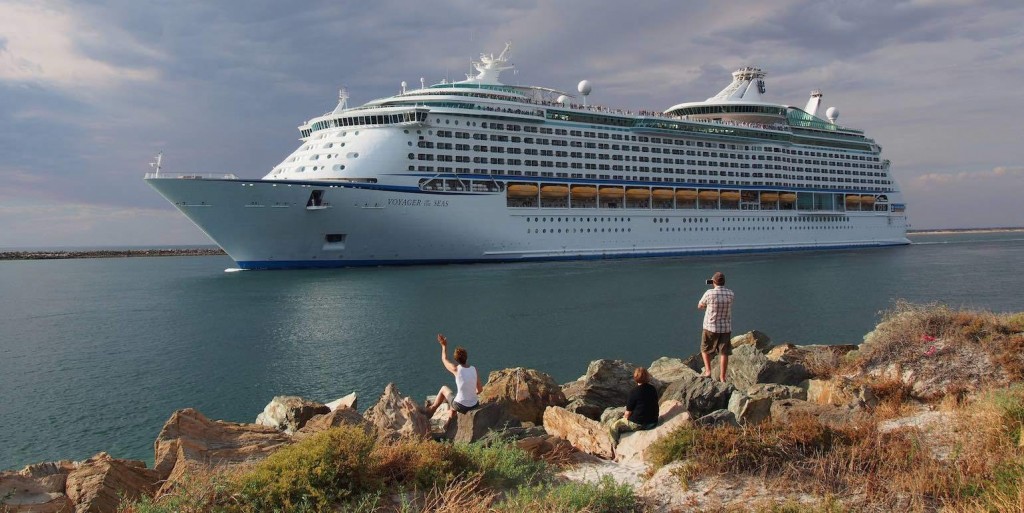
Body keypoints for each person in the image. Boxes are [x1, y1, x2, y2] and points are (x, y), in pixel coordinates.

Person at [424, 333, 482, 417]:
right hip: (474, 404)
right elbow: (480, 390)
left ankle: (431, 410)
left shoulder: (456, 369)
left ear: (456, 359)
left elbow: (444, 359)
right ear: (466, 357)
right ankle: (448, 424)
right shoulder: (474, 369)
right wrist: (470, 395)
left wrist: (443, 346)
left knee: (444, 389)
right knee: (453, 406)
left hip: (460, 405)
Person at [698, 271, 735, 382]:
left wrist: (708, 306)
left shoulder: (709, 293)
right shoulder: (730, 293)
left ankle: (708, 371)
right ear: (724, 282)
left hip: (710, 326)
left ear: (713, 282)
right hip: (725, 328)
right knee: (724, 352)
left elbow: (700, 306)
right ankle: (723, 377)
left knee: (705, 348)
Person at [609, 367, 660, 444]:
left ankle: (615, 443)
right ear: (647, 377)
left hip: (638, 425)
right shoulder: (652, 388)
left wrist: (624, 418)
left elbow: (628, 413)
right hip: (653, 422)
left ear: (635, 378)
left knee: (613, 426)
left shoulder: (634, 392)